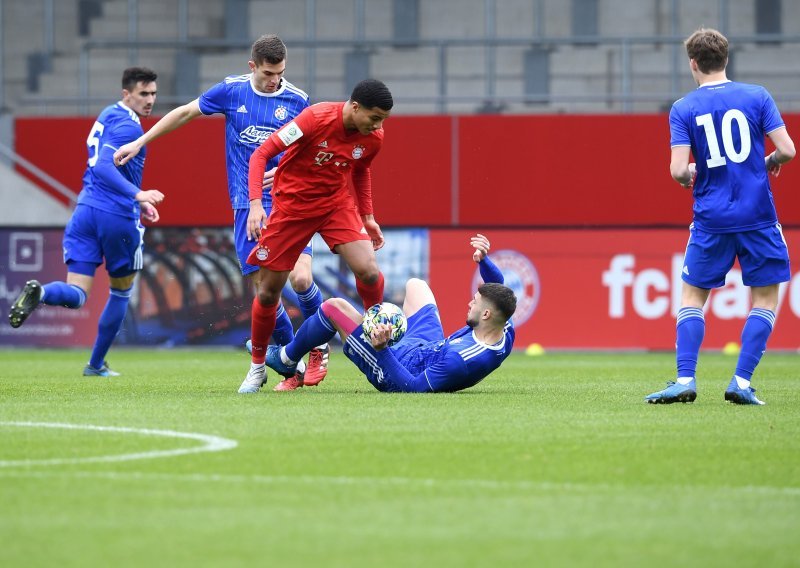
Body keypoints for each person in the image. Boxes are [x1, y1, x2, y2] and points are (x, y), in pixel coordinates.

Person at [112, 34, 329, 392]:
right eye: (269, 73)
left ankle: (319, 346)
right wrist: (139, 141)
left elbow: (313, 150)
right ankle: (291, 366)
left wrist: (291, 171)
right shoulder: (232, 91)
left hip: (288, 200)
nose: (276, 80)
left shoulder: (297, 100)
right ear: (253, 67)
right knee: (264, 293)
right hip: (246, 205)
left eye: (281, 73)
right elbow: (184, 113)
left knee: (301, 279)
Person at [646, 28, 796, 406]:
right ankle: (741, 382)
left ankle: (684, 379)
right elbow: (788, 150)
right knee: (763, 300)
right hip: (759, 216)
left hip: (711, 219)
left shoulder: (683, 107)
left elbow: (679, 171)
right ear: (726, 60)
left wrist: (694, 174)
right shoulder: (757, 96)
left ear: (693, 63)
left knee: (693, 297)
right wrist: (770, 162)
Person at [238, 78, 394, 393]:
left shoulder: (373, 137)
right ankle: (258, 367)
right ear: (354, 107)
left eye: (382, 120)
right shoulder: (315, 118)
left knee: (368, 270)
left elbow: (360, 170)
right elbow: (260, 155)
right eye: (374, 117)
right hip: (292, 209)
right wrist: (256, 204)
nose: (378, 126)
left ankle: (377, 338)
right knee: (268, 293)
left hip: (335, 206)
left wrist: (368, 217)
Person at [8, 67, 164, 376]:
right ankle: (95, 364)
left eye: (154, 93)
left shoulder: (108, 113)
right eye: (144, 93)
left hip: (84, 212)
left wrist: (135, 197)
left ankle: (41, 293)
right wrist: (138, 195)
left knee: (77, 294)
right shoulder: (130, 127)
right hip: (117, 217)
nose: (150, 100)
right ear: (127, 94)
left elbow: (104, 168)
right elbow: (106, 166)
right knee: (121, 291)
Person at [263, 234, 516, 392]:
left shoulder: (461, 359)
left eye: (475, 302)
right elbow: (500, 289)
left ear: (485, 316)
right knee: (417, 285)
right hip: (428, 347)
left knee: (333, 308)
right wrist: (484, 261)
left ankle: (287, 358)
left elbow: (412, 387)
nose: (469, 304)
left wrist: (383, 349)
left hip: (397, 368)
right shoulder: (503, 328)